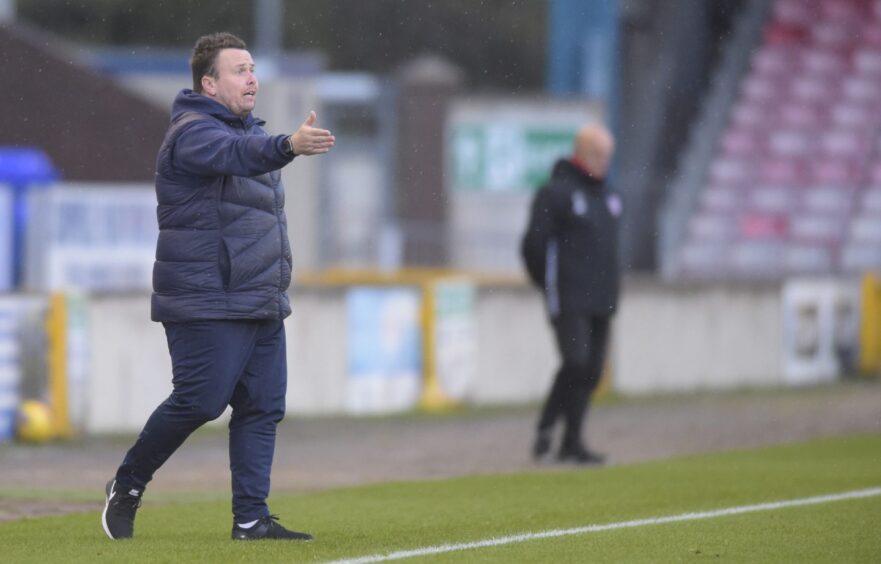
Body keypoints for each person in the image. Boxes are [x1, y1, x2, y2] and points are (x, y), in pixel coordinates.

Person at [101, 32, 334, 541]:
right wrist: (288, 146)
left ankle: (250, 519)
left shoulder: (251, 135)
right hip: (206, 296)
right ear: (208, 83)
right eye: (238, 70)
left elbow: (248, 162)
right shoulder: (194, 131)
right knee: (201, 401)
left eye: (252, 68)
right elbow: (235, 155)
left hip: (258, 298)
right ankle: (128, 481)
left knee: (262, 406)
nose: (251, 78)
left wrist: (276, 146)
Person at [520, 123, 621, 465]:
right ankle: (548, 424)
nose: (603, 161)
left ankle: (572, 442)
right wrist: (548, 283)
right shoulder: (556, 193)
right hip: (569, 296)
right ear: (579, 153)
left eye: (607, 155)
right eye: (597, 153)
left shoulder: (609, 197)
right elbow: (533, 245)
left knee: (592, 371)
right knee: (575, 362)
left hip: (601, 299)